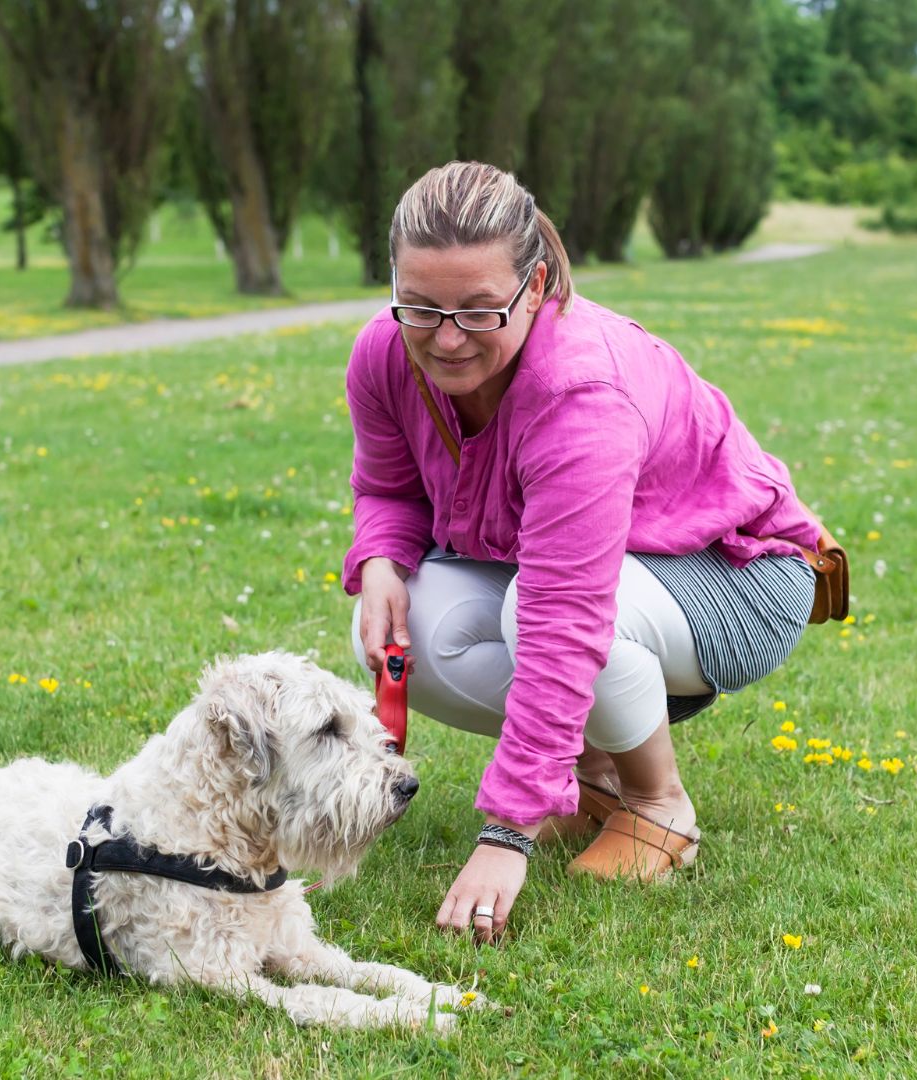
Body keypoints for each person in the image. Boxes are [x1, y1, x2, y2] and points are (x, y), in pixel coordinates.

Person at [342, 161, 832, 945]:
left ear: (535, 288)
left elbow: (564, 617)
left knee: (529, 615)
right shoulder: (383, 355)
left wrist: (506, 832)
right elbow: (389, 489)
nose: (444, 338)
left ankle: (658, 805)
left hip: (740, 577)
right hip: (590, 576)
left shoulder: (582, 398)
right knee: (412, 628)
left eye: (477, 311)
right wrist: (379, 563)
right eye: (420, 306)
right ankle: (595, 786)